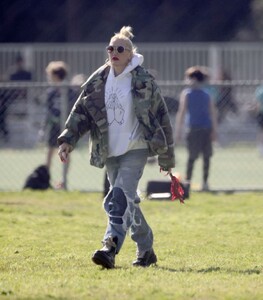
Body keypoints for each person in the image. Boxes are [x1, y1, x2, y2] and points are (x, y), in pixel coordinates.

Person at [57, 26, 175, 269]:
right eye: (110, 48)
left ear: (130, 54)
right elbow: (80, 112)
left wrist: (167, 154)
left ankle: (109, 246)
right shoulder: (98, 80)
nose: (114, 52)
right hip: (108, 149)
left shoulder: (144, 80)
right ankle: (146, 249)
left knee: (119, 197)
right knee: (124, 200)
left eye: (120, 49)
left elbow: (162, 115)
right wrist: (67, 140)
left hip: (137, 147)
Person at [175, 66, 217, 197]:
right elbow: (181, 113)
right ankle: (187, 182)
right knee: (192, 157)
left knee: (207, 157)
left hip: (206, 128)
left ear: (194, 78)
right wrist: (178, 131)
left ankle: (205, 182)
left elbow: (212, 113)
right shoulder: (187, 94)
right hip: (193, 129)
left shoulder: (207, 94)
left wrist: (214, 130)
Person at [40, 61, 75, 190]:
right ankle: (46, 179)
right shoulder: (51, 92)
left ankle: (63, 180)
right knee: (49, 151)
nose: (49, 78)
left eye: (51, 75)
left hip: (65, 126)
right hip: (54, 126)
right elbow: (48, 110)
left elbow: (72, 108)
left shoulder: (70, 91)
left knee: (66, 152)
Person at [254, 85, 263, 157]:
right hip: (261, 113)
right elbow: (257, 103)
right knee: (261, 132)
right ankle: (261, 150)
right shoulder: (260, 90)